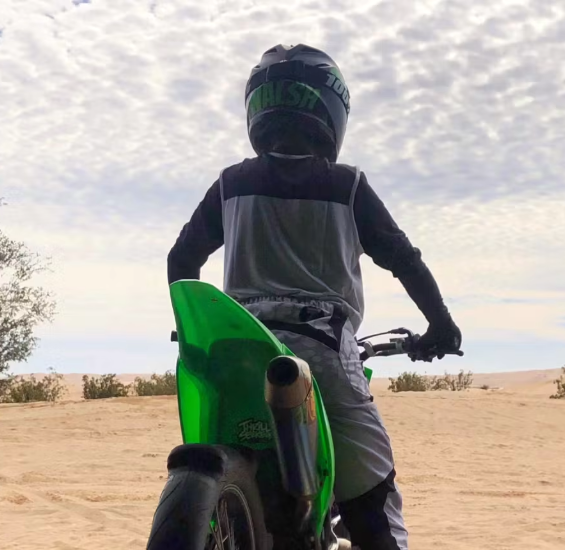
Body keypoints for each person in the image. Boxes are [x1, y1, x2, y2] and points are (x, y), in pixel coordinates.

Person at [166, 43, 462, 550]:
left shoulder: (230, 184)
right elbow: (404, 259)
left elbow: (181, 263)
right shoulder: (347, 186)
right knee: (375, 507)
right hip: (322, 349)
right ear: (331, 111)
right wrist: (442, 326)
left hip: (235, 348)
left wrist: (189, 325)